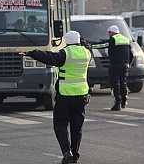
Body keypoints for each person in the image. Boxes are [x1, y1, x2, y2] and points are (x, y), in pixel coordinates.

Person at [20, 31, 92, 164]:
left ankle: (66, 152)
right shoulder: (87, 53)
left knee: (60, 125)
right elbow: (87, 45)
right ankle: (75, 154)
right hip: (81, 95)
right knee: (77, 127)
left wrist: (32, 53)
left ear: (66, 41)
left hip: (65, 95)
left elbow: (48, 57)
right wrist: (81, 40)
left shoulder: (65, 53)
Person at [92, 25, 134, 111]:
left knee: (115, 83)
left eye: (108, 33)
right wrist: (129, 62)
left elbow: (103, 45)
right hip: (124, 64)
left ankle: (117, 103)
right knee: (123, 82)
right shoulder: (126, 39)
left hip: (115, 64)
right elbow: (131, 53)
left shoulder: (113, 39)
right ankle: (124, 101)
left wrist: (90, 46)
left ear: (111, 32)